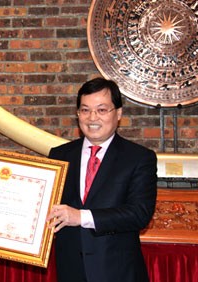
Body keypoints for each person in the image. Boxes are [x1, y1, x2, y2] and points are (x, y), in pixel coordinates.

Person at [47, 77, 157, 282]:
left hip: (118, 273)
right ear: (78, 114)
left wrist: (81, 216)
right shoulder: (59, 155)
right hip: (71, 272)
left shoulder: (139, 158)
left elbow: (139, 214)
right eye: (85, 110)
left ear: (119, 113)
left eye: (102, 110)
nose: (92, 118)